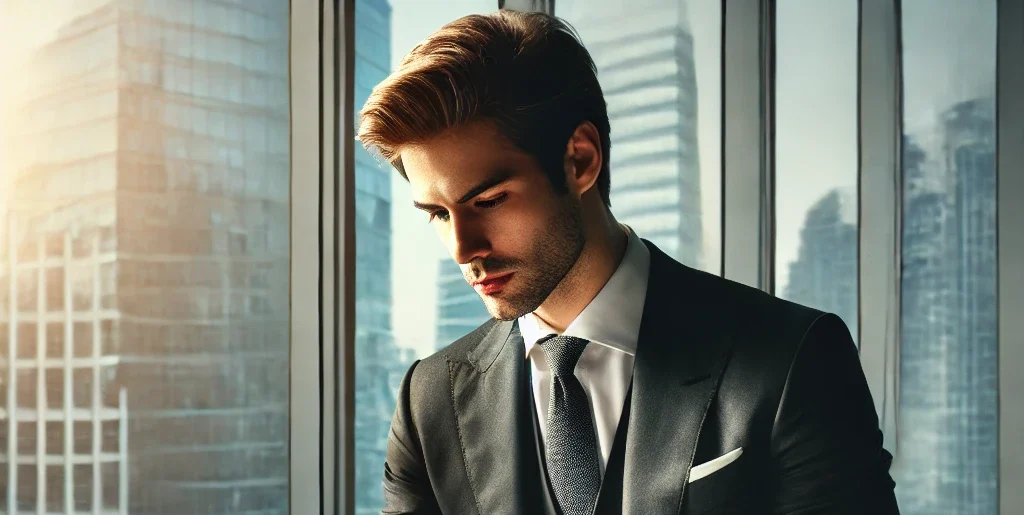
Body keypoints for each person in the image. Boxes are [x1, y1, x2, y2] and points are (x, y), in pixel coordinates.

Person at [357, 9, 900, 515]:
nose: (462, 248)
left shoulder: (791, 360)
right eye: (437, 214)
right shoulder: (429, 402)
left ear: (580, 160)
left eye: (489, 201)